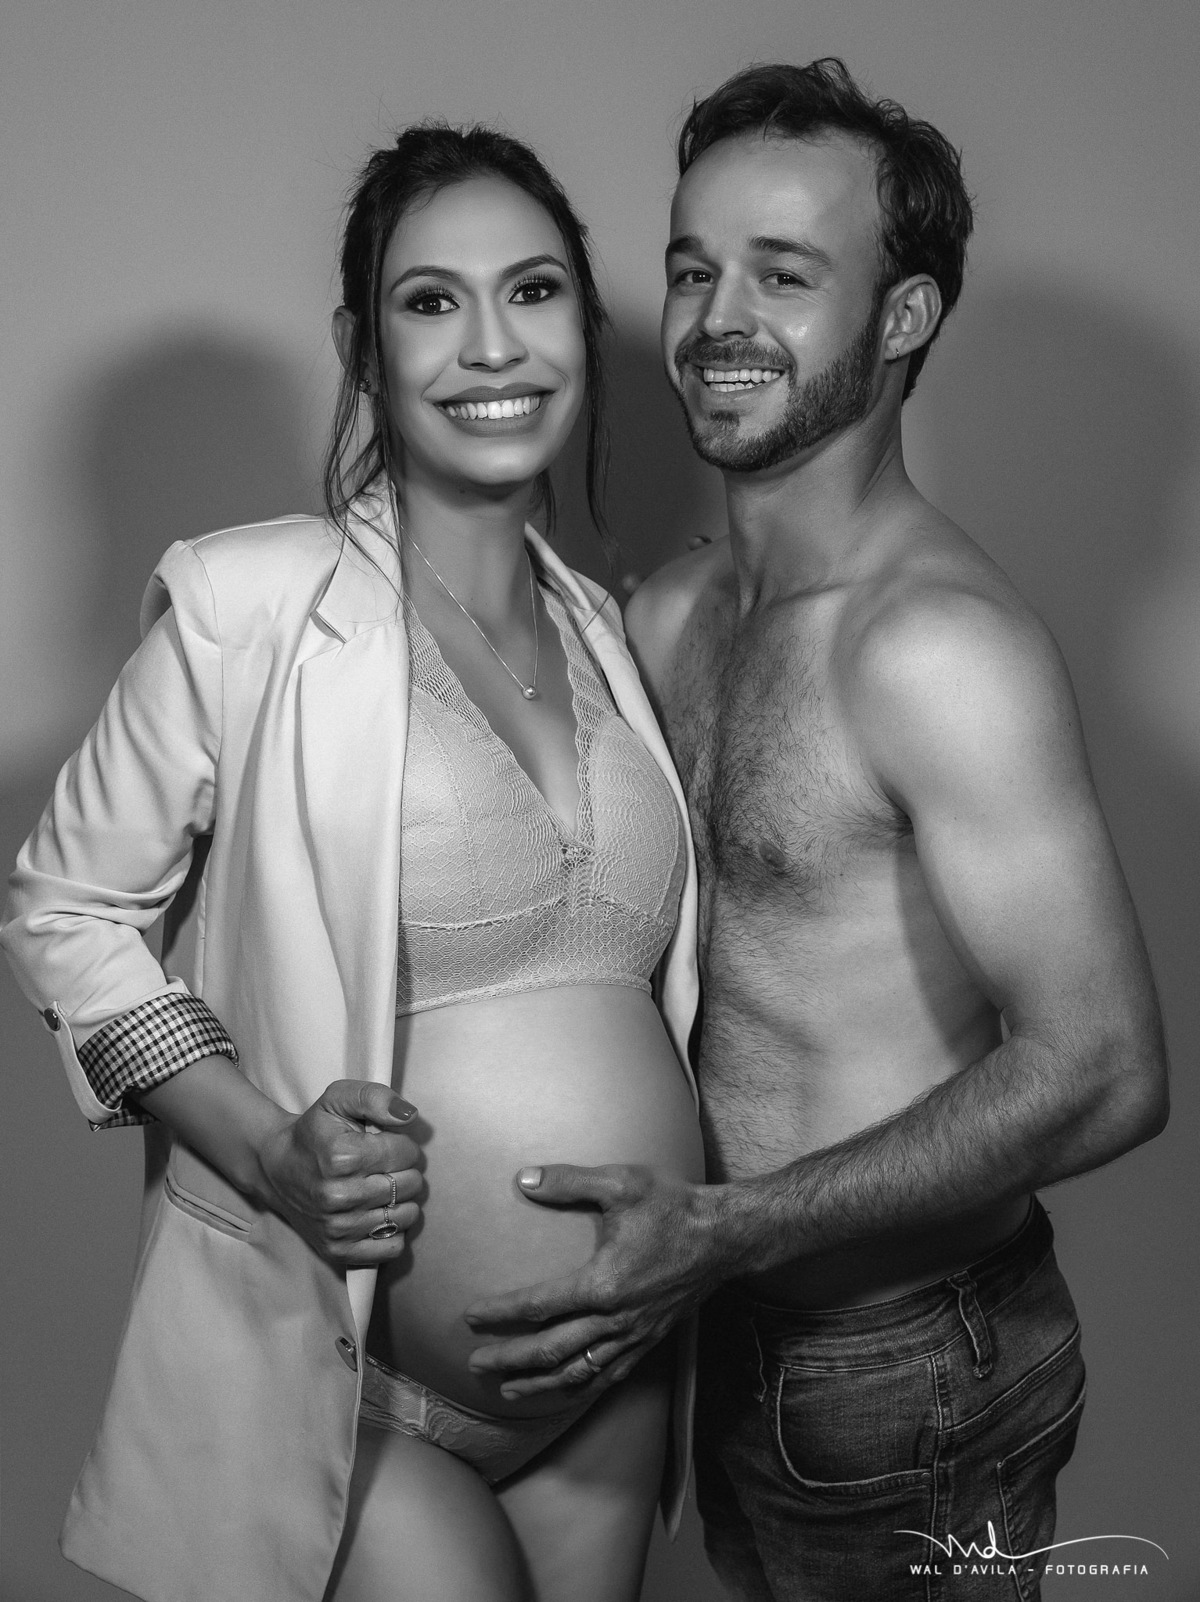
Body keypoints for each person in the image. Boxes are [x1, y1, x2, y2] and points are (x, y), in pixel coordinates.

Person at [462, 61, 1170, 1601]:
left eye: (784, 275)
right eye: (692, 269)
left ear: (903, 317)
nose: (718, 319)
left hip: (910, 1367)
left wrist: (728, 1226)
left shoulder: (935, 649)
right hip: (717, 1332)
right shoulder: (669, 615)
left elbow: (1107, 1070)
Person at [0, 123, 704, 1602]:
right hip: (359, 1381)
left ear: (584, 325)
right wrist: (269, 1151)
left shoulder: (610, 632)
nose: (492, 345)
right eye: (431, 301)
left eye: (533, 291)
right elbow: (65, 907)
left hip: (616, 1381)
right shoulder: (251, 603)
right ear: (362, 349)